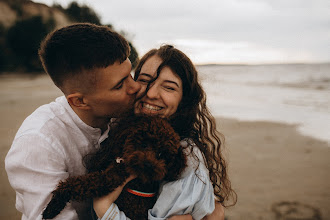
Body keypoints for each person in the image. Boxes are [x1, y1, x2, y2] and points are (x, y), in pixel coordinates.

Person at [4, 23, 141, 220]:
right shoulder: (37, 143)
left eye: (130, 74)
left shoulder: (123, 116)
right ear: (79, 101)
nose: (135, 87)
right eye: (120, 85)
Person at [93, 45, 236, 220]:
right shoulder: (116, 127)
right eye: (145, 80)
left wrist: (104, 209)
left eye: (168, 87)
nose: (152, 93)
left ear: (184, 100)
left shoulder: (185, 155)